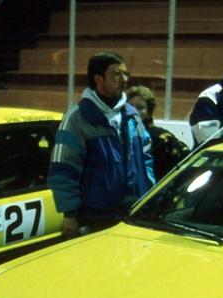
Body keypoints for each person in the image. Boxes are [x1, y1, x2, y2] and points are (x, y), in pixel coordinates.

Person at [48, 52, 154, 238]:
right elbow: (63, 169)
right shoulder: (77, 118)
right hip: (95, 218)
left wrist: (147, 191)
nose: (124, 79)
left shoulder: (132, 115)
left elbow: (146, 158)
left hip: (133, 213)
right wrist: (70, 214)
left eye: (125, 74)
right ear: (98, 79)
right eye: (116, 74)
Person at [126, 85, 189, 179]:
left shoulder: (162, 139)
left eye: (140, 107)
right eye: (130, 106)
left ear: (148, 112)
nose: (134, 111)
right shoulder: (120, 136)